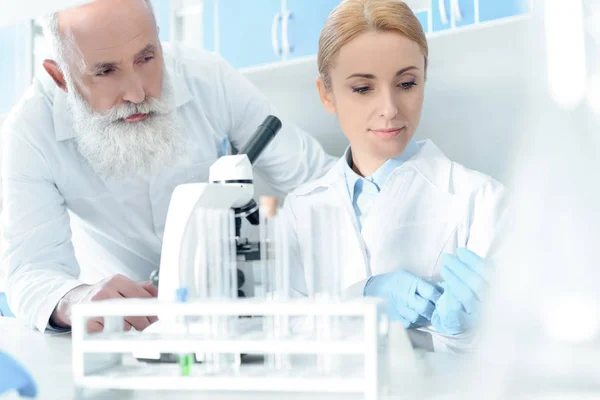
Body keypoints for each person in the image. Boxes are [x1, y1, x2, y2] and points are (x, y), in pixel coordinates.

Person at [1, 0, 335, 333]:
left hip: (228, 318)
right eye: (105, 70)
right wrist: (74, 299)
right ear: (60, 76)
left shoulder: (207, 75)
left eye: (146, 58)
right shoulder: (29, 130)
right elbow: (29, 270)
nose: (136, 92)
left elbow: (316, 179)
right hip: (122, 332)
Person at [283, 0, 506, 353]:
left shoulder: (481, 200)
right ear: (327, 94)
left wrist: (465, 334)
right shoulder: (300, 209)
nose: (389, 108)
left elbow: (517, 357)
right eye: (362, 88)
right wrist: (362, 299)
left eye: (406, 83)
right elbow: (285, 334)